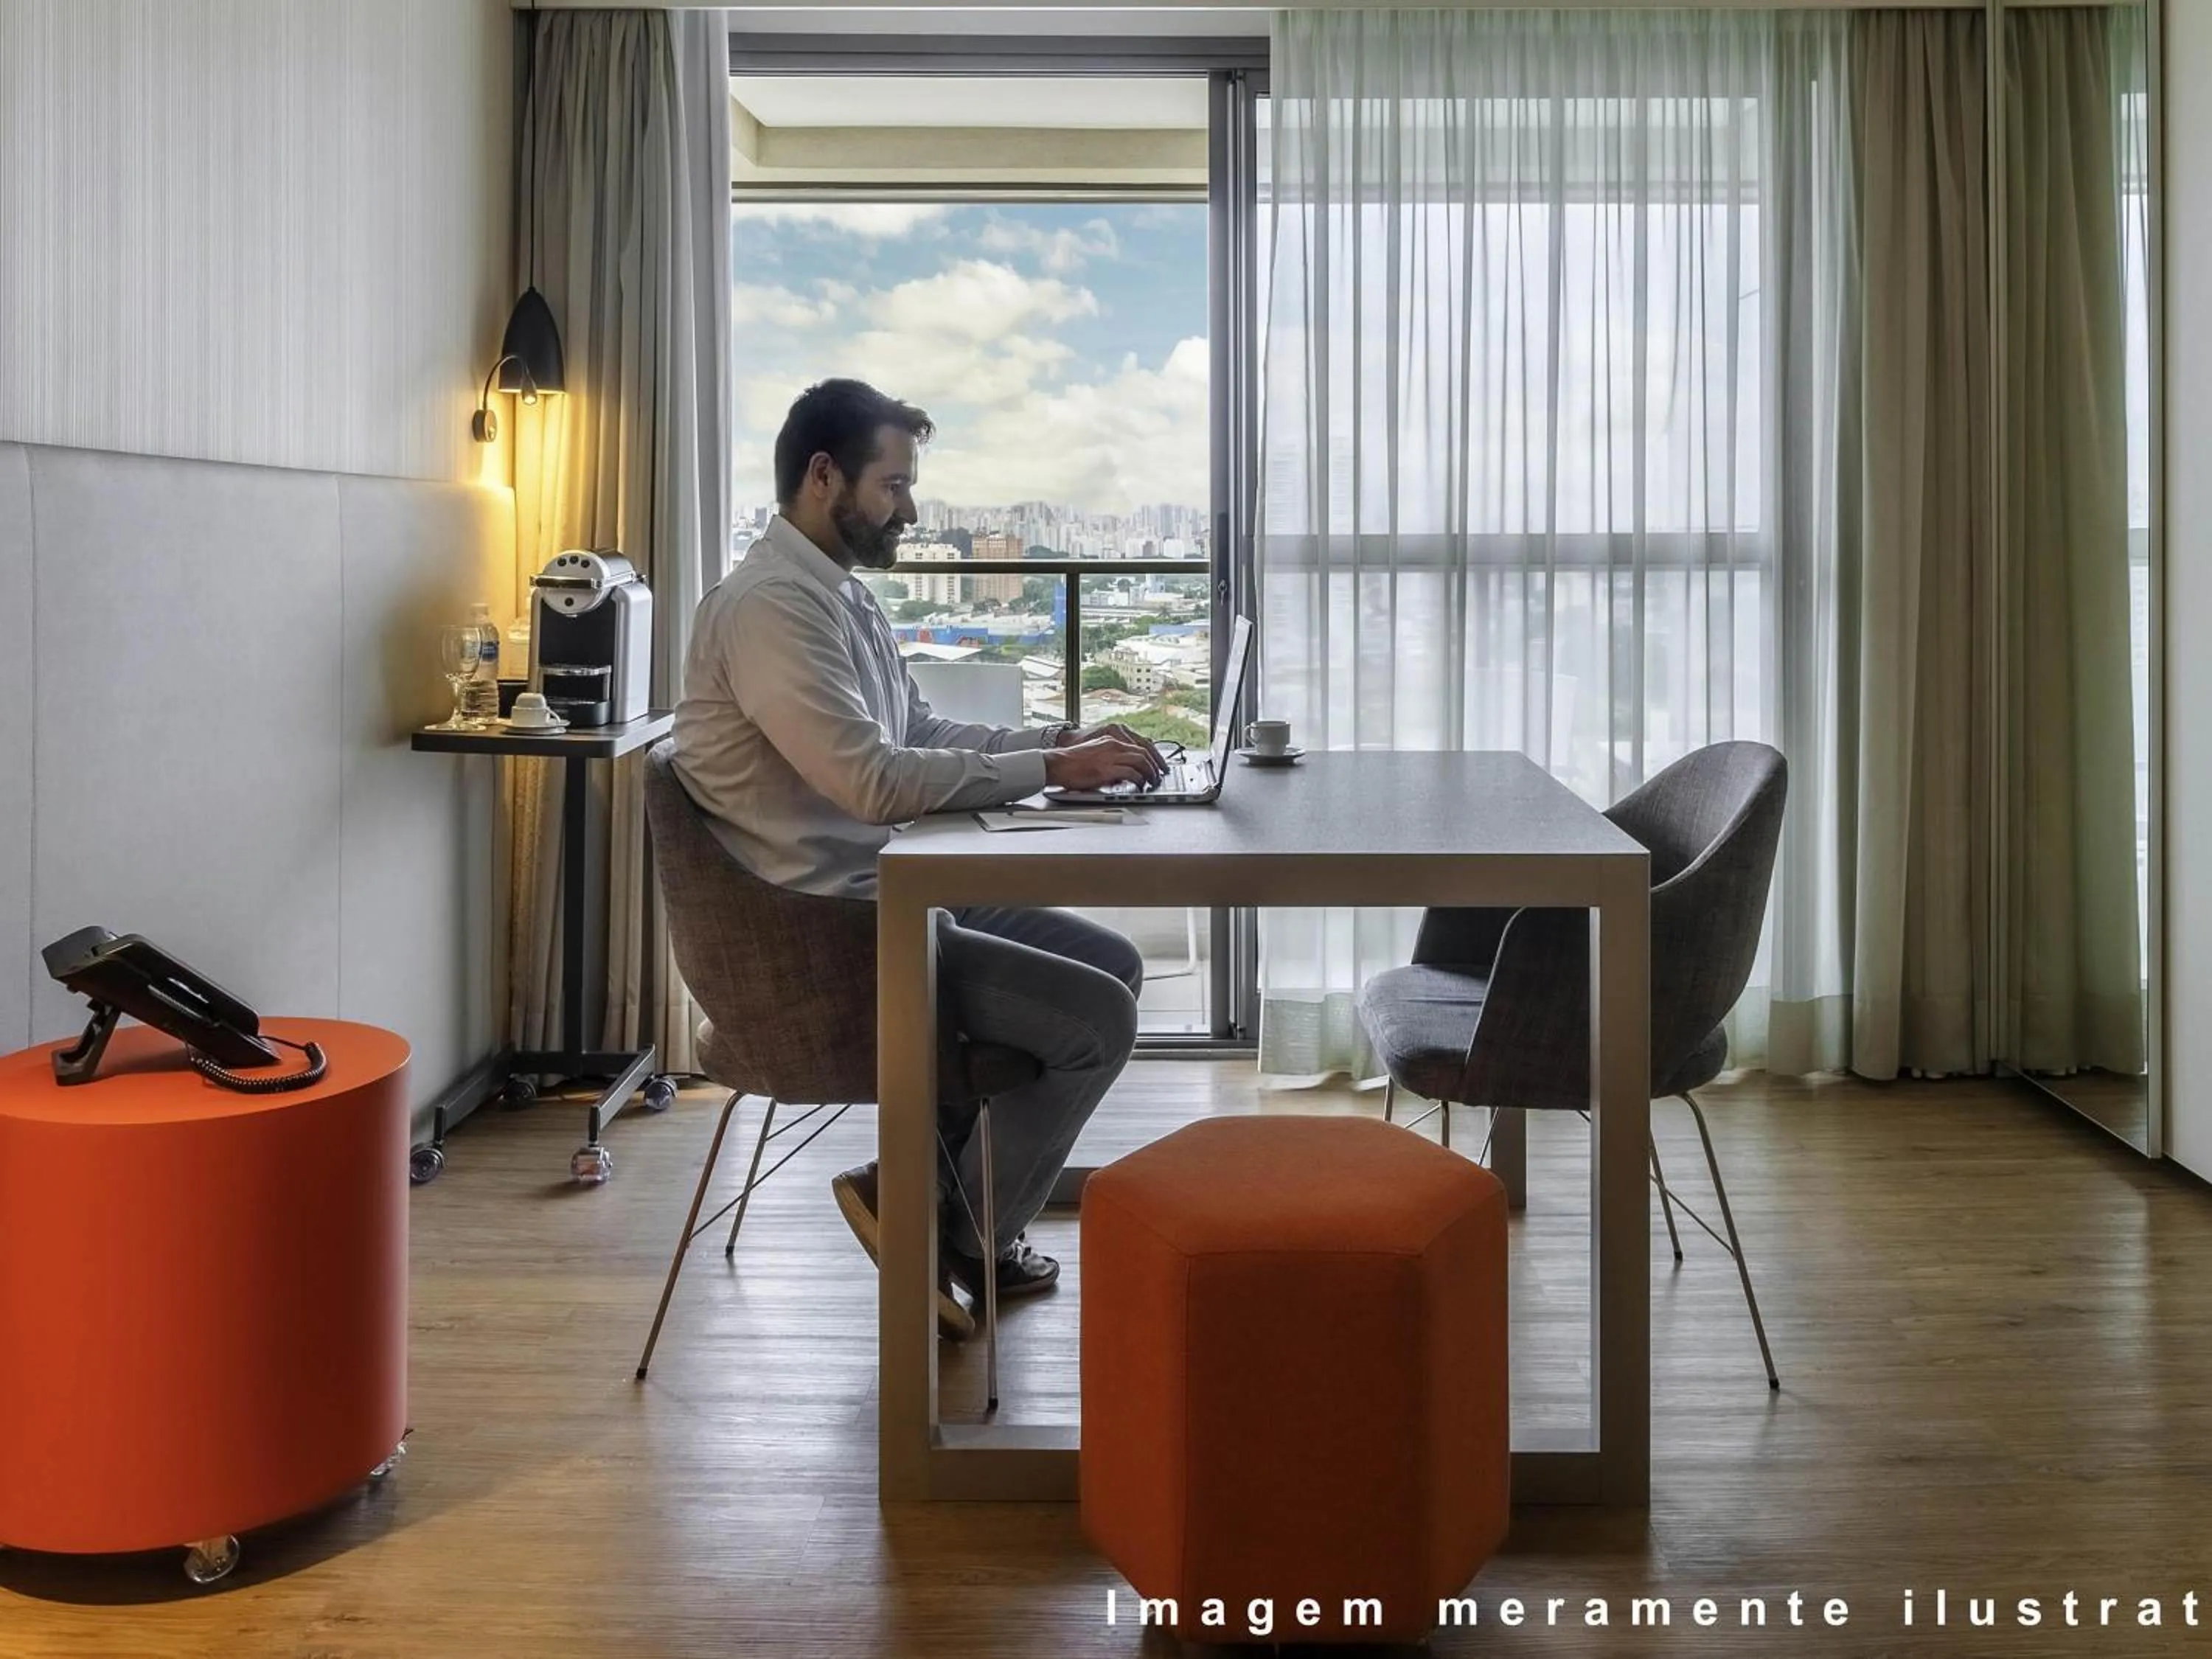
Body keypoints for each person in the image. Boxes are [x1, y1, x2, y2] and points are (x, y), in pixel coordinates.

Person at [672, 378, 1166, 1339]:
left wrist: (1059, 741)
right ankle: (947, 1228)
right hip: (830, 940)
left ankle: (920, 1195)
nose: (911, 507)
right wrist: (1053, 766)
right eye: (894, 484)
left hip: (892, 898)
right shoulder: (773, 610)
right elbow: (873, 781)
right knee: (1096, 1017)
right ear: (825, 476)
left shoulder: (833, 595)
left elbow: (920, 728)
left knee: (1115, 962)